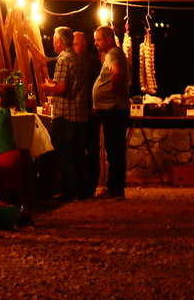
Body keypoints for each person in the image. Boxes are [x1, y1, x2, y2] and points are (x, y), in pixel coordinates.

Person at [38, 26, 89, 202]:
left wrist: (48, 87)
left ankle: (69, 191)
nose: (53, 42)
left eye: (54, 39)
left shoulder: (63, 59)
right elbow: (74, 83)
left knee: (65, 155)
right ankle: (84, 190)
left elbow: (61, 88)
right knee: (79, 154)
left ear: (59, 42)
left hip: (65, 115)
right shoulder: (79, 58)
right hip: (80, 114)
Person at [91, 25, 131, 200]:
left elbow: (116, 73)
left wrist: (114, 92)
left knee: (114, 150)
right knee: (114, 149)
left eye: (98, 40)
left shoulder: (113, 54)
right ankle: (114, 187)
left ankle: (115, 188)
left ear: (108, 39)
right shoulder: (113, 54)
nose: (95, 43)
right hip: (112, 109)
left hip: (113, 110)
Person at [0, 83, 26, 210]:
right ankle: (19, 211)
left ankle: (12, 211)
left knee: (7, 188)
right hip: (8, 154)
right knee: (14, 187)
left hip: (6, 155)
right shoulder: (2, 112)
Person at [75, 31, 103, 197]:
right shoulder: (74, 61)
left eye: (76, 44)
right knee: (80, 149)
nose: (73, 47)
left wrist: (94, 106)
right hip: (78, 112)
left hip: (90, 112)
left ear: (84, 44)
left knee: (91, 148)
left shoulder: (92, 62)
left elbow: (96, 86)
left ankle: (91, 184)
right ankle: (81, 184)